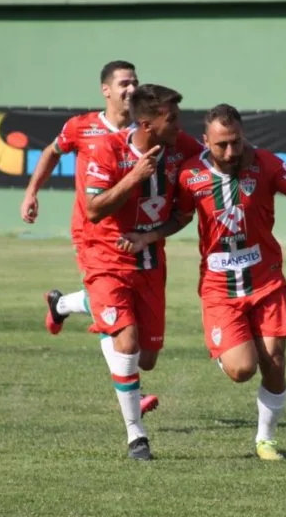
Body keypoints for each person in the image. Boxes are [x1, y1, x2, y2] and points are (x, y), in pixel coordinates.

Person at [118, 104, 286, 460]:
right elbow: (180, 217)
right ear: (205, 142)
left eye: (235, 142)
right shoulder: (189, 174)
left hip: (265, 282)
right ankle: (224, 351)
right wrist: (147, 237)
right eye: (221, 145)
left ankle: (266, 438)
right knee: (242, 369)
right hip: (219, 289)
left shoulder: (266, 164)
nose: (230, 152)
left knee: (274, 359)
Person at [82, 84, 204, 460]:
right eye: (173, 119)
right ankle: (137, 437)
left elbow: (191, 199)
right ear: (148, 124)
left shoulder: (179, 146)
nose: (180, 126)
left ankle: (88, 309)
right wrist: (133, 177)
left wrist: (149, 235)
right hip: (107, 260)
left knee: (146, 358)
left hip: (150, 263)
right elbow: (93, 209)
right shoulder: (107, 150)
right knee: (128, 344)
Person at [19, 60, 137, 336]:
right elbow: (51, 152)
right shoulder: (81, 127)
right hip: (91, 230)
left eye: (135, 82)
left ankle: (60, 305)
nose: (132, 89)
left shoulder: (144, 130)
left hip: (132, 231)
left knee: (122, 298)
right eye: (124, 84)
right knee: (110, 304)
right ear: (105, 90)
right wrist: (31, 192)